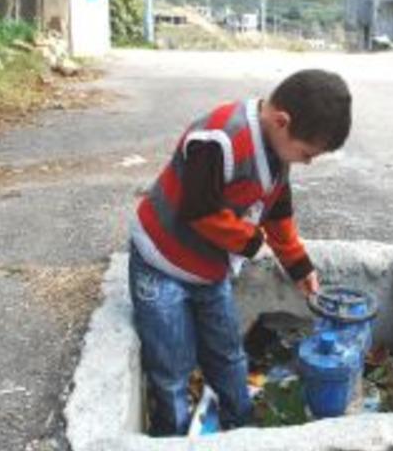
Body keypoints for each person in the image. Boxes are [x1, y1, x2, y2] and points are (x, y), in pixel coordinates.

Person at [127, 69, 352, 435]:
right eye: (307, 153)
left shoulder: (278, 152)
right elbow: (198, 211)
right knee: (172, 366)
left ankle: (241, 426)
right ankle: (172, 434)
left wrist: (299, 266)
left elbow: (277, 212)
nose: (306, 162)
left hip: (209, 270)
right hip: (161, 264)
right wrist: (250, 241)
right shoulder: (220, 139)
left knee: (228, 352)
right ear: (282, 121)